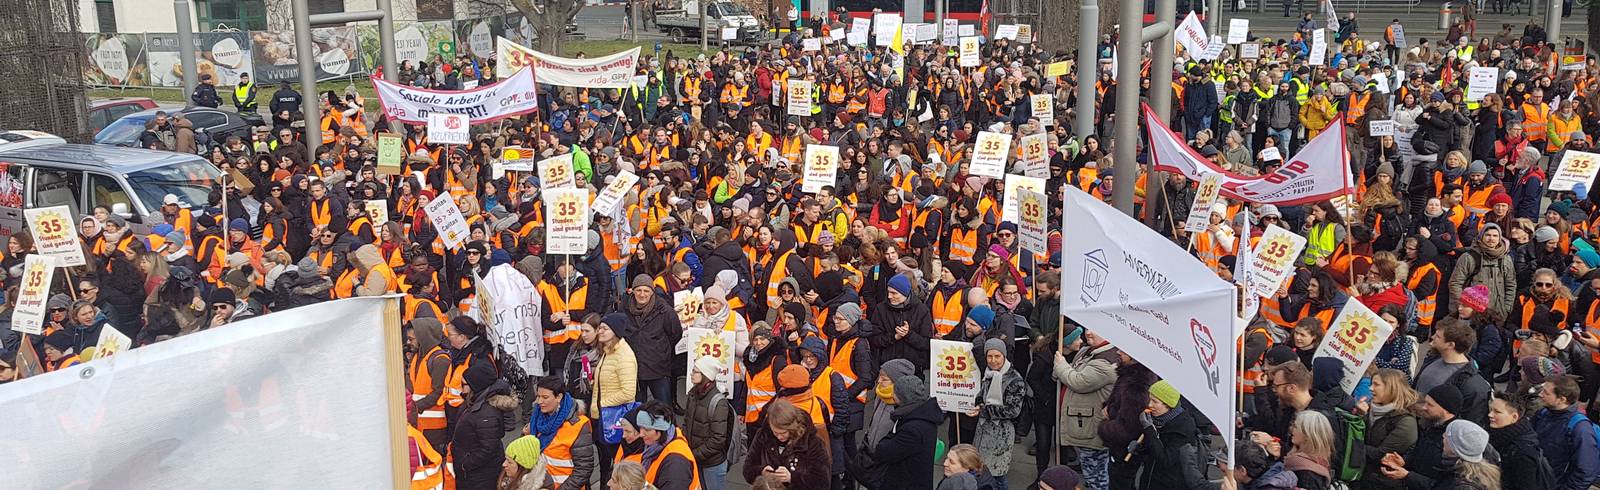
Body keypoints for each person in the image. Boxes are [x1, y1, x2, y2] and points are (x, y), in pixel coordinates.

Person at [1054, 327, 1117, 490]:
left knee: (1096, 477)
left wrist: (1061, 366)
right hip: (1082, 423)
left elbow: (1078, 381)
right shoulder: (1088, 351)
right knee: (1090, 472)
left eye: (1095, 329)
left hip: (1091, 428)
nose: (1088, 332)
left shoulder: (1106, 362)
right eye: (1088, 328)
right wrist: (1062, 370)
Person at [864, 371, 940, 490]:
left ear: (903, 397)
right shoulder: (922, 416)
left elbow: (883, 451)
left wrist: (890, 435)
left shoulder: (912, 429)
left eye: (895, 392)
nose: (892, 395)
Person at [450, 361, 518, 490]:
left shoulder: (486, 414)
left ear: (475, 386)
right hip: (474, 474)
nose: (460, 388)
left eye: (464, 384)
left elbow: (488, 449)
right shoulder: (475, 404)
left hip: (480, 477)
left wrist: (465, 464)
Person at [1130, 379, 1208, 489]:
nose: (1149, 404)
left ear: (1168, 405)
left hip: (1169, 484)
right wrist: (1141, 449)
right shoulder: (1158, 421)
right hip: (1150, 481)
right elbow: (1154, 450)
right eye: (1149, 399)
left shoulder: (1182, 430)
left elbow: (1165, 459)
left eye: (1155, 401)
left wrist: (1149, 430)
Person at [1379, 420, 1502, 490]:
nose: (1443, 437)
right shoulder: (1466, 470)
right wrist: (1407, 472)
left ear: (1456, 449)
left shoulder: (1463, 486)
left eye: (1447, 437)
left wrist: (1407, 475)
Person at [973, 338, 1027, 488]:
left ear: (1004, 356)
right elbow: (981, 393)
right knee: (982, 472)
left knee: (997, 476)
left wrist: (984, 411)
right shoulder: (989, 373)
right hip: (983, 431)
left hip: (1001, 436)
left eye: (997, 356)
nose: (993, 360)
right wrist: (978, 404)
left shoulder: (1015, 380)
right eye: (989, 356)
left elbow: (1013, 411)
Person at [1530, 375, 1600, 489]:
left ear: (1562, 399)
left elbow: (1586, 471)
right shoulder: (1543, 412)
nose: (1540, 394)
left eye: (1546, 393)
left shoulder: (1580, 428)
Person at [743, 398, 831, 489]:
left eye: (783, 433)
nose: (779, 437)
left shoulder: (813, 443)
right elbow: (747, 469)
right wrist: (761, 471)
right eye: (775, 433)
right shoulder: (763, 435)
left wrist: (792, 478)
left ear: (792, 428)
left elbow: (823, 483)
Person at [623, 274, 683, 407]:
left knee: (663, 408)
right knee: (637, 409)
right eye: (639, 290)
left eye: (646, 291)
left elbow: (676, 333)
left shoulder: (665, 311)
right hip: (633, 368)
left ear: (652, 292)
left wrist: (660, 349)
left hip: (658, 368)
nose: (642, 294)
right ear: (633, 291)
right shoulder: (624, 308)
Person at [527, 376, 596, 488]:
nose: (539, 401)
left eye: (545, 397)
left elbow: (584, 469)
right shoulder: (537, 418)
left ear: (559, 397)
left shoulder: (579, 425)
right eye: (538, 396)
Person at [591, 312, 638, 475]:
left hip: (613, 417)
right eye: (600, 328)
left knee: (615, 460)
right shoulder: (608, 351)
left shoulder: (624, 355)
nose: (600, 331)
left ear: (616, 331)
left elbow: (628, 392)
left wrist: (601, 403)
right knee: (605, 460)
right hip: (603, 416)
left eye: (604, 328)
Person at [1357, 368, 1420, 490]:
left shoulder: (1406, 422)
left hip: (1382, 483)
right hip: (1362, 476)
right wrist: (1360, 416)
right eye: (1371, 384)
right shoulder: (1368, 408)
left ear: (1392, 388)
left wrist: (1350, 445)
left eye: (1376, 385)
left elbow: (1382, 455)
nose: (1370, 388)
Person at [683, 356, 733, 490]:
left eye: (695, 371)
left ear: (705, 375)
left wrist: (694, 454)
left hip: (712, 464)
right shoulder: (693, 394)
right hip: (696, 459)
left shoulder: (718, 403)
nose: (691, 374)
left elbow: (718, 439)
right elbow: (686, 423)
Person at [1487, 393, 1554, 490]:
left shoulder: (1522, 453)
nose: (1490, 415)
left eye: (1497, 412)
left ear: (1514, 417)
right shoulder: (1500, 436)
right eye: (1491, 410)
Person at [633, 400, 700, 490]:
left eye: (647, 429)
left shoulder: (675, 464)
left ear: (661, 429)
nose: (641, 434)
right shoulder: (662, 441)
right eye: (640, 427)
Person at [939, 443, 1003, 490]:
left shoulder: (982, 487)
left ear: (967, 468)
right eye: (947, 458)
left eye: (952, 462)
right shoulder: (953, 474)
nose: (945, 463)